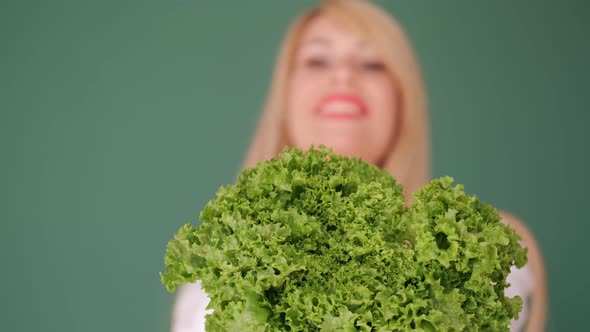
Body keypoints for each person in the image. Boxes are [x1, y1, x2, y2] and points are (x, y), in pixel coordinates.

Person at [172, 1, 547, 331]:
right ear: (285, 97)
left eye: (372, 64)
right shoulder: (213, 274)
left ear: (403, 99)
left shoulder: (480, 253)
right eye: (317, 60)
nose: (344, 75)